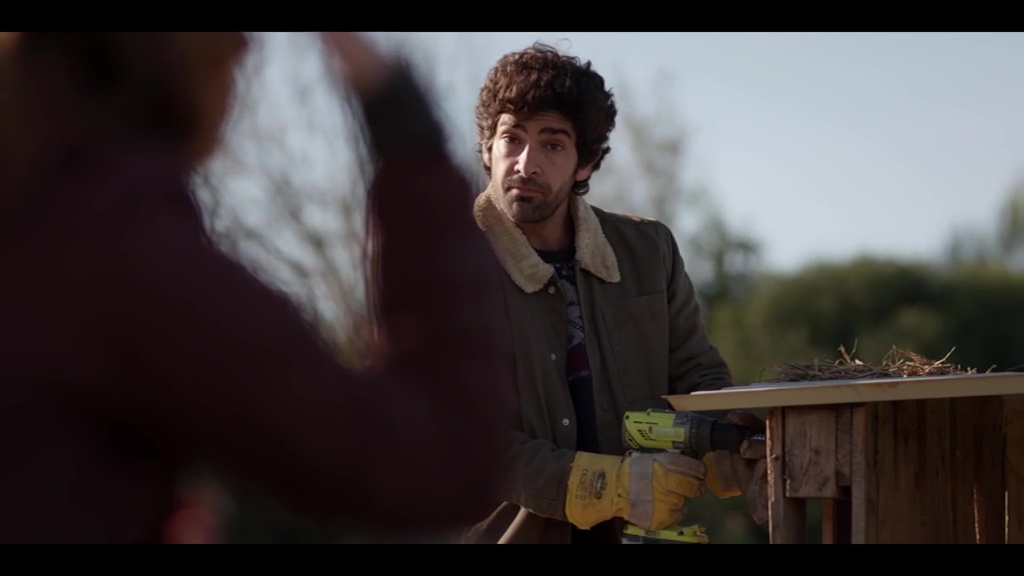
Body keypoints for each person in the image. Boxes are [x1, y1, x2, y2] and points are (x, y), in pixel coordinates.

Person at [0, 32, 512, 543]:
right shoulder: (119, 248)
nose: (246, 56)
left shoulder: (43, 217)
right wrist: (400, 120)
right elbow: (442, 459)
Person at [458, 42, 768, 544]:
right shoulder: (448, 266)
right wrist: (605, 486)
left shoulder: (647, 249)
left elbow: (697, 377)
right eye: (512, 139)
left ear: (586, 163)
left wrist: (744, 448)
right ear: (487, 148)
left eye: (552, 145)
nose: (525, 164)